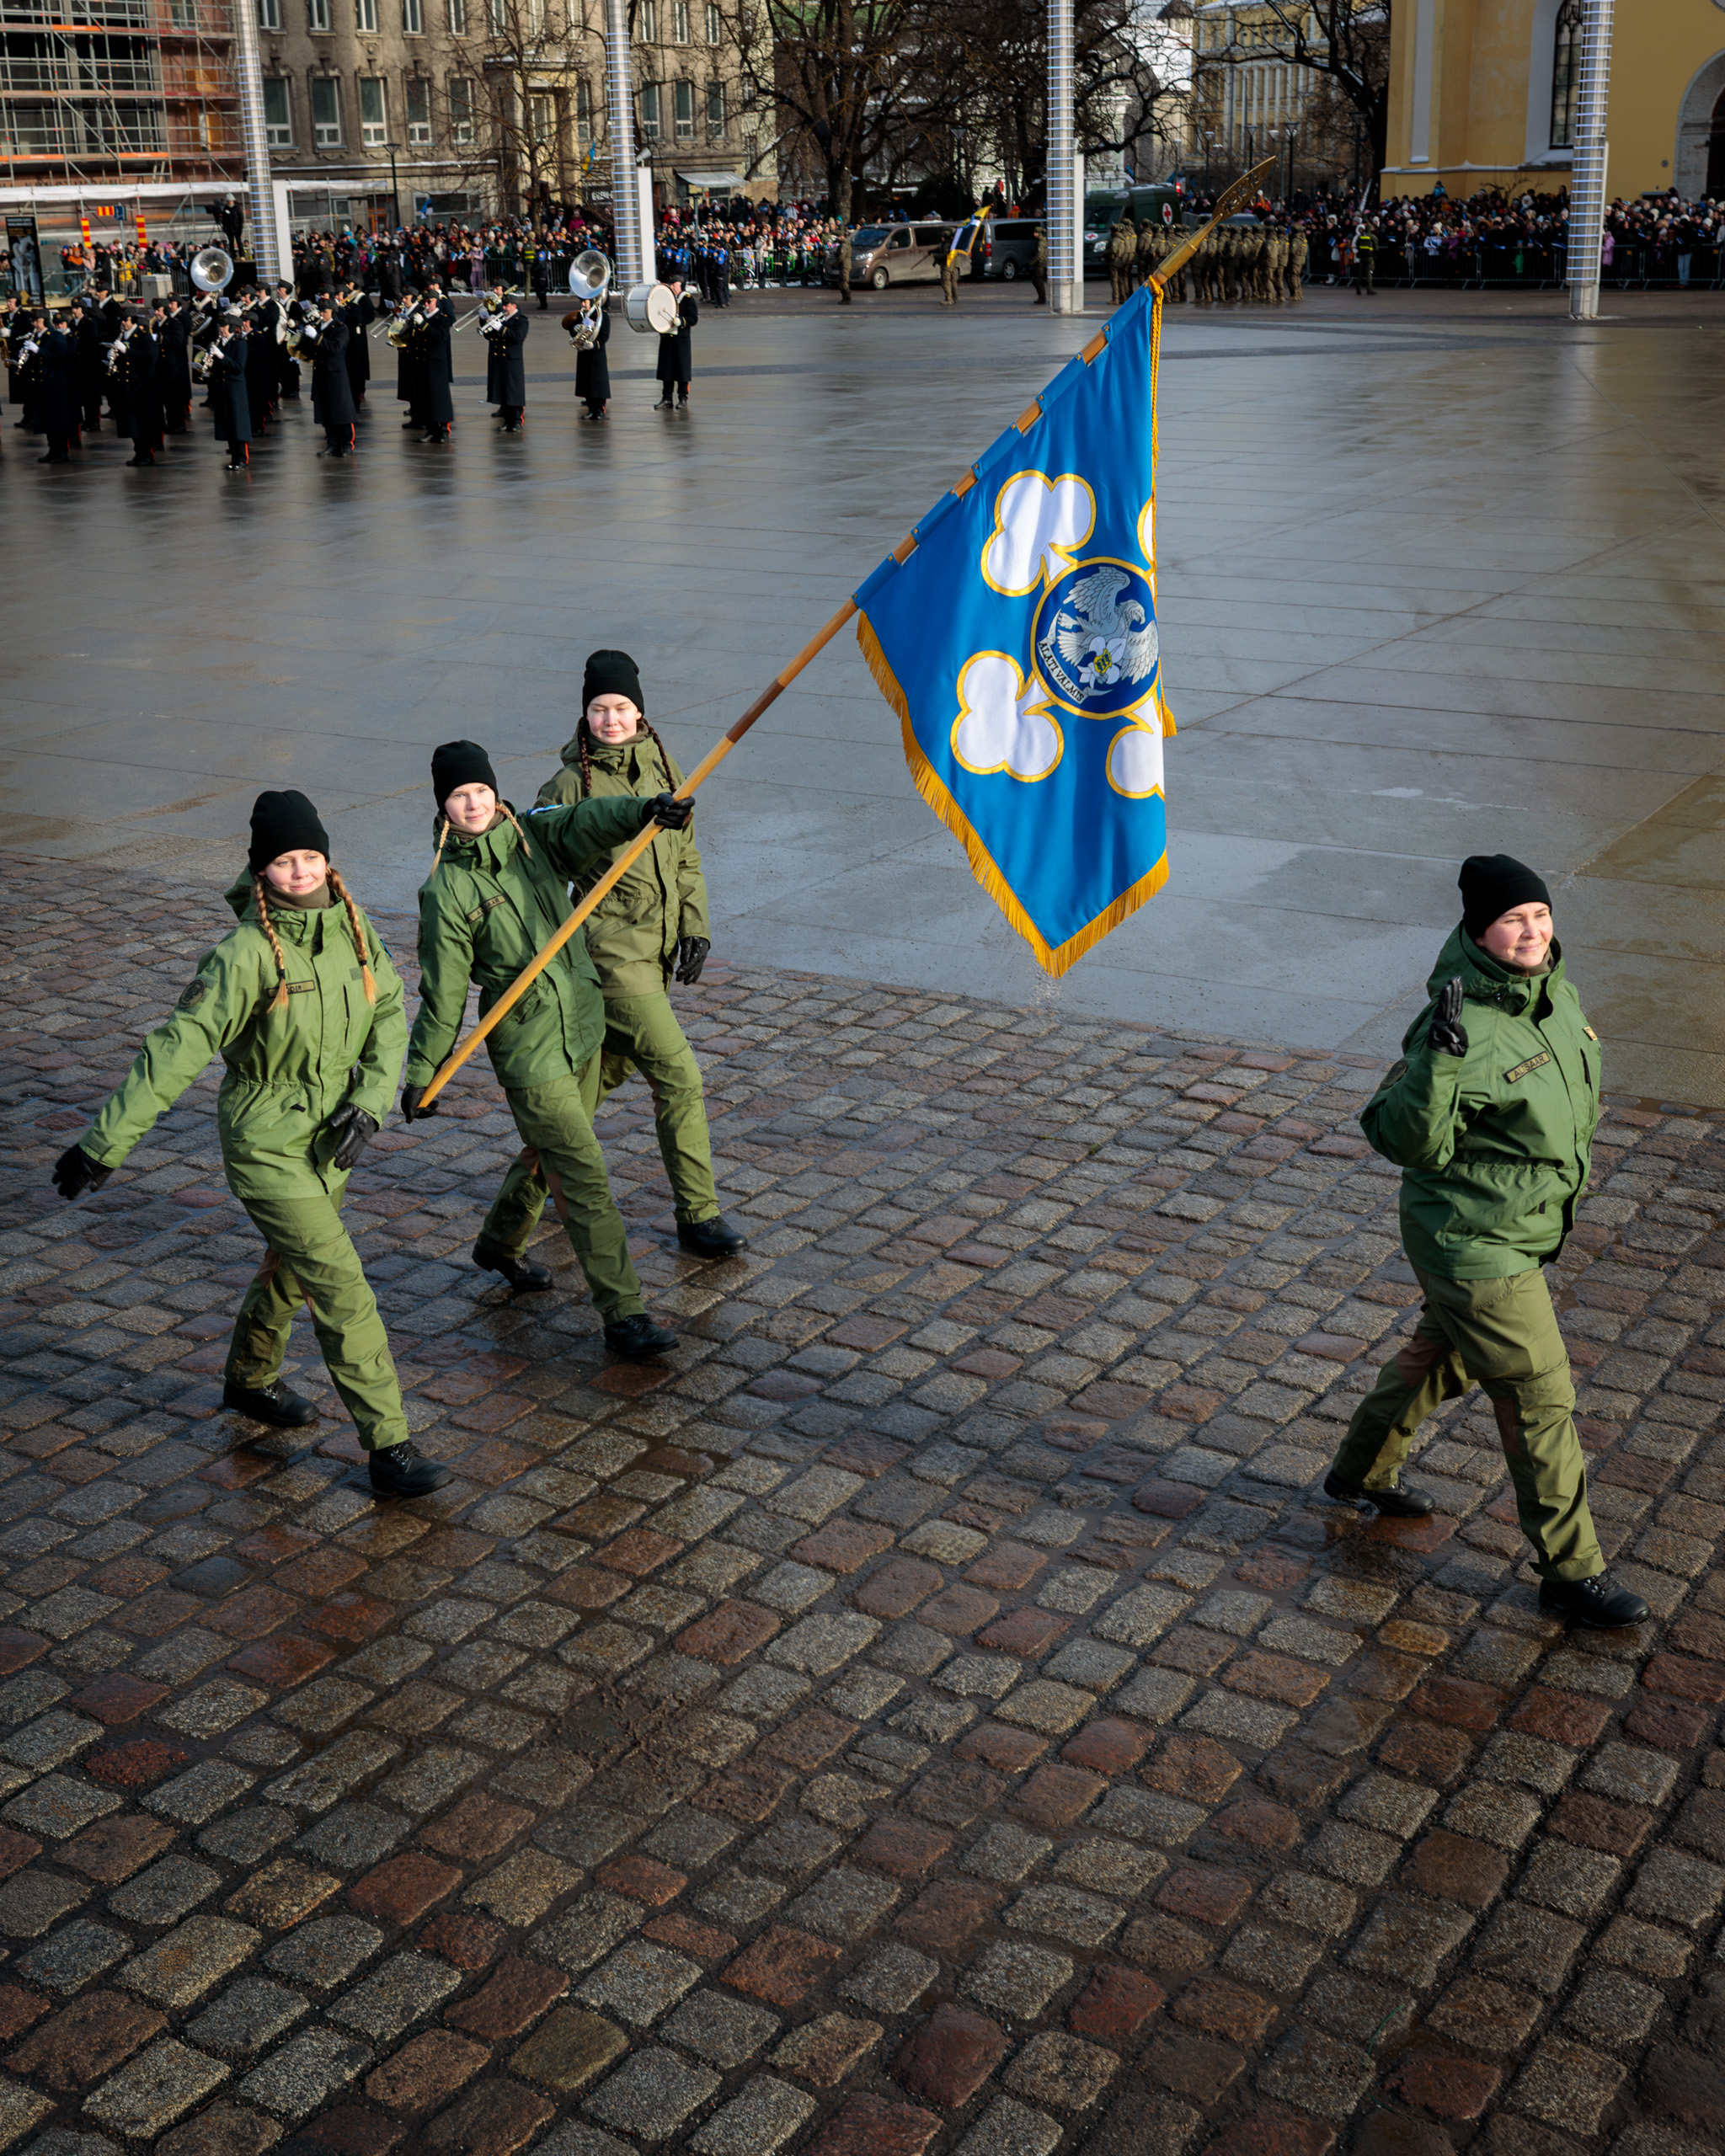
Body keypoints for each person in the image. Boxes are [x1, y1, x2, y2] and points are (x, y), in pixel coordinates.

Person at [50, 790, 450, 1499]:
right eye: (285, 861)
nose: (301, 871)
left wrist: (369, 1102)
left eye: (310, 857)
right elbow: (177, 1047)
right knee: (339, 1283)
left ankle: (249, 1380)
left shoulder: (354, 926)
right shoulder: (244, 954)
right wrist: (102, 1144)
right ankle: (389, 1446)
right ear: (261, 869)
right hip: (266, 1142)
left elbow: (390, 1010)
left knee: (291, 1269)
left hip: (332, 1137)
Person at [1324, 854, 1648, 1630]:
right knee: (1538, 1393)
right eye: (1512, 919)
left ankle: (1361, 1471)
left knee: (1444, 1351)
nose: (1532, 931)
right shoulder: (1457, 1023)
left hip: (1518, 1224)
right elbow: (1401, 1138)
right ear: (1478, 930)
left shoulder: (1553, 993)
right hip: (1471, 1238)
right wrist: (1438, 1064)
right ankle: (1572, 1572)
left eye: (1539, 914)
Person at [399, 741, 690, 1361]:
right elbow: (443, 993)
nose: (473, 804)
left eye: (481, 791)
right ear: (442, 805)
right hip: (528, 1050)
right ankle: (624, 1313)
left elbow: (586, 820)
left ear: (494, 791)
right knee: (583, 1172)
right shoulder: (446, 890)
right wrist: (423, 1070)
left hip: (583, 1023)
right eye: (459, 795)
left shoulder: (533, 837)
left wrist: (644, 810)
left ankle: (498, 1244)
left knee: (548, 1152)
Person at [525, 649, 747, 1262]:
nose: (611, 720)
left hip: (657, 953)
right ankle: (698, 1216)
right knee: (679, 1077)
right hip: (610, 957)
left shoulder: (663, 765)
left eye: (621, 707)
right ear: (585, 714)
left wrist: (696, 926)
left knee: (578, 1102)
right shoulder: (568, 784)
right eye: (599, 709)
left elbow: (686, 855)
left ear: (640, 711)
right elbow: (551, 841)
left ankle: (511, 1221)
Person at [309, 301, 356, 456]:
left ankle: (348, 444)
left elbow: (334, 347)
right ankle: (332, 443)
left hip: (336, 374)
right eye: (321, 311)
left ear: (333, 312)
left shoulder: (341, 328)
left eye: (326, 311)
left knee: (342, 411)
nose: (322, 314)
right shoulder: (318, 327)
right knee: (326, 410)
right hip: (321, 373)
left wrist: (316, 337)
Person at [118, 311, 163, 467]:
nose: (123, 323)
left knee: (144, 423)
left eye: (125, 320)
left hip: (142, 387)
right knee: (132, 423)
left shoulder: (144, 337)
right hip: (129, 386)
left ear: (132, 320)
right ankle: (138, 452)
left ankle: (147, 454)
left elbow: (149, 356)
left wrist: (127, 351)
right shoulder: (123, 336)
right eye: (122, 320)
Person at [208, 318, 251, 469]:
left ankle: (242, 458)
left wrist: (221, 356)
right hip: (222, 387)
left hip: (235, 388)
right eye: (220, 326)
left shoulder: (240, 343)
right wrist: (210, 364)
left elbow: (238, 367)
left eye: (224, 326)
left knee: (238, 424)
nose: (221, 329)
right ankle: (234, 457)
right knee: (227, 423)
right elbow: (219, 367)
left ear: (232, 327)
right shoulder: (220, 343)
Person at [654, 277, 697, 408]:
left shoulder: (688, 299)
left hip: (681, 340)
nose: (672, 287)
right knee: (667, 370)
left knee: (682, 371)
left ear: (681, 286)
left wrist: (682, 321)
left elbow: (693, 318)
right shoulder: (667, 299)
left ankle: (683, 398)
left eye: (675, 285)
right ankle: (667, 398)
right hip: (667, 338)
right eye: (671, 284)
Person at [491, 297, 528, 431]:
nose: (504, 308)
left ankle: (517, 421)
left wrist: (501, 328)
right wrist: (485, 321)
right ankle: (507, 421)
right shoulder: (503, 319)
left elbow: (518, 337)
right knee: (504, 391)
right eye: (504, 305)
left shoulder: (522, 321)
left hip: (513, 360)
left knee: (515, 392)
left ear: (514, 306)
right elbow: (490, 337)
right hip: (501, 360)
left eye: (506, 305)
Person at [572, 295, 611, 420]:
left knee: (597, 384)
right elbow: (574, 330)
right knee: (586, 382)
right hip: (584, 353)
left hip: (596, 354)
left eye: (585, 302)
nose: (583, 304)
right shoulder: (582, 315)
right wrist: (575, 329)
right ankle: (591, 409)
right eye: (581, 302)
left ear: (593, 301)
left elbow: (604, 336)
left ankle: (600, 409)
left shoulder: (602, 315)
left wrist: (594, 345)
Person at [836, 227, 852, 302]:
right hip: (844, 265)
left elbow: (841, 257)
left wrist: (835, 263)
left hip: (844, 265)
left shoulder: (844, 245)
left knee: (844, 282)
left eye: (839, 237)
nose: (838, 238)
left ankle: (847, 297)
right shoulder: (844, 244)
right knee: (841, 282)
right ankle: (845, 297)